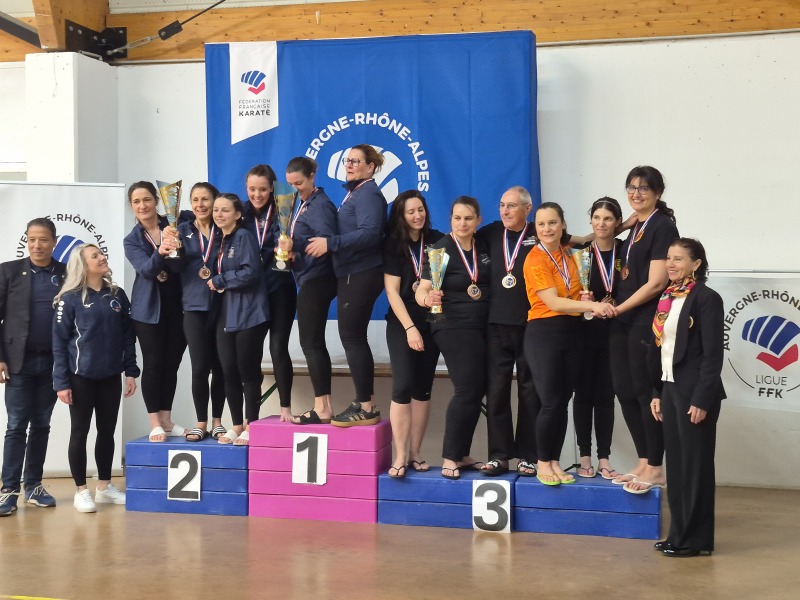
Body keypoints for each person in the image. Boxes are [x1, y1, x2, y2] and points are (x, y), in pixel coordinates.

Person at [522, 202, 616, 486]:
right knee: (550, 402)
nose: (547, 229)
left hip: (573, 333)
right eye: (541, 224)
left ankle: (554, 460)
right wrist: (593, 306)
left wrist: (586, 301)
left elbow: (575, 293)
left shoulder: (568, 254)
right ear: (535, 228)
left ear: (562, 225)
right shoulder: (535, 259)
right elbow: (552, 302)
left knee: (562, 402)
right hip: (544, 333)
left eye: (552, 223)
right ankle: (542, 461)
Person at [649, 238, 724, 557]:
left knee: (696, 468)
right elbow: (662, 349)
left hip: (695, 393)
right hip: (671, 388)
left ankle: (696, 540)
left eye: (678, 259)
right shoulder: (668, 297)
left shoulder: (707, 298)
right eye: (669, 258)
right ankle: (678, 535)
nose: (671, 263)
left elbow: (712, 355)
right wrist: (657, 391)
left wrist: (702, 399)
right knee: (678, 468)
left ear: (696, 264)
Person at [52, 244, 139, 513]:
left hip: (110, 376)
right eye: (95, 256)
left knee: (107, 432)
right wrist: (61, 382)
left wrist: (130, 371)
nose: (102, 257)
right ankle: (81, 491)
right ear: (83, 264)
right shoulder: (69, 299)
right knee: (80, 432)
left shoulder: (116, 295)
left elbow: (128, 336)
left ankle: (104, 486)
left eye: (102, 253)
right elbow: (59, 343)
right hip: (81, 378)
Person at [608, 167, 679, 492]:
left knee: (643, 392)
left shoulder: (662, 226)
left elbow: (656, 283)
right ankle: (643, 460)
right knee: (624, 392)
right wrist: (625, 223)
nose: (636, 193)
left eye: (644, 188)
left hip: (645, 318)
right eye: (631, 188)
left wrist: (619, 308)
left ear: (658, 192)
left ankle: (655, 467)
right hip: (623, 319)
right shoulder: (637, 225)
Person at [307, 144, 386, 427]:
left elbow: (371, 234)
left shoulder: (368, 194)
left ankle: (366, 406)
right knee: (352, 336)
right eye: (347, 160)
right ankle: (364, 402)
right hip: (352, 272)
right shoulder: (356, 192)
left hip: (361, 272)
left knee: (352, 337)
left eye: (356, 161)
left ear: (370, 167)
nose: (349, 165)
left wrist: (331, 243)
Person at [414, 196, 489, 479]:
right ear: (450, 220)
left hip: (483, 326)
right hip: (451, 325)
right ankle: (450, 458)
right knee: (467, 388)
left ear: (478, 220)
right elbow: (422, 290)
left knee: (477, 389)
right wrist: (426, 299)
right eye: (457, 218)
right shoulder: (441, 249)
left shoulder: (484, 244)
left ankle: (461, 453)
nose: (462, 223)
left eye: (468, 218)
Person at [0, 218, 65, 516]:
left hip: (53, 362)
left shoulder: (67, 273)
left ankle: (34, 486)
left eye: (43, 239)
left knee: (41, 424)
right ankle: (9, 490)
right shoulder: (9, 271)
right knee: (16, 425)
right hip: (18, 361)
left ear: (54, 242)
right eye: (31, 239)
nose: (37, 245)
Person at [478, 186, 541, 478]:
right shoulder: (490, 233)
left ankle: (529, 456)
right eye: (502, 205)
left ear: (527, 209)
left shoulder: (539, 232)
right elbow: (459, 238)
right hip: (496, 325)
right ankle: (499, 455)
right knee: (497, 391)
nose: (505, 210)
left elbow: (569, 241)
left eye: (512, 206)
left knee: (530, 391)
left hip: (531, 325)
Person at [383, 190, 444, 478]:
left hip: (432, 322)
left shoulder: (438, 240)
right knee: (403, 386)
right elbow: (392, 293)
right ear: (401, 215)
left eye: (420, 210)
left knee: (423, 388)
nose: (417, 215)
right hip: (402, 323)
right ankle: (400, 455)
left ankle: (416, 453)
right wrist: (410, 329)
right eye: (411, 211)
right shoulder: (394, 245)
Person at [123, 181, 187, 442]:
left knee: (172, 364)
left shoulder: (176, 224)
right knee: (153, 363)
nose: (142, 206)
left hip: (178, 306)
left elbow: (182, 264)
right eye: (136, 202)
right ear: (131, 206)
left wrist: (176, 239)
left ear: (157, 201)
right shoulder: (132, 240)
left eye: (147, 199)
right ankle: (154, 423)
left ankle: (166, 419)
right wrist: (161, 250)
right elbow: (147, 270)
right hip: (148, 310)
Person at [280, 157, 338, 424]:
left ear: (312, 176)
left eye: (299, 183)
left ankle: (322, 407)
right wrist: (295, 253)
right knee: (312, 342)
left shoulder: (321, 205)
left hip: (319, 278)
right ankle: (324, 405)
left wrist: (297, 244)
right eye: (290, 184)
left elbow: (326, 242)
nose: (294, 189)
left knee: (311, 342)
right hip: (309, 276)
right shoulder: (303, 203)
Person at [209, 194, 269, 446]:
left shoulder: (244, 236)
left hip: (250, 312)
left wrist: (220, 280)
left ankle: (251, 424)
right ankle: (236, 425)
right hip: (227, 312)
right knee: (228, 370)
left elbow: (251, 272)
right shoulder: (219, 239)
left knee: (248, 371)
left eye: (225, 210)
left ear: (237, 214)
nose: (219, 214)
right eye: (216, 210)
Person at [573, 198, 623, 480]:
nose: (601, 223)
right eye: (597, 218)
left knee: (606, 396)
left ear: (617, 222)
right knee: (583, 395)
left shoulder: (626, 251)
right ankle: (584, 457)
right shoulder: (579, 254)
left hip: (616, 332)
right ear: (590, 220)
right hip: (583, 333)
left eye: (608, 218)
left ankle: (604, 458)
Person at [242, 165, 295, 417]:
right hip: (251, 293)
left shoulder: (285, 210)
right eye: (252, 189)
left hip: (280, 289)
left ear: (272, 189)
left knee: (278, 349)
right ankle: (250, 418)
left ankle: (285, 409)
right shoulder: (240, 213)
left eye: (262, 189)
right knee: (250, 353)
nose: (257, 194)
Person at [177, 182, 227, 441]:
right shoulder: (181, 231)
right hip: (193, 306)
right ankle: (201, 421)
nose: (200, 205)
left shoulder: (225, 229)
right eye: (195, 200)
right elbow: (173, 266)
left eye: (205, 199)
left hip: (222, 305)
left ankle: (217, 422)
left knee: (220, 367)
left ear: (215, 201)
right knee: (199, 368)